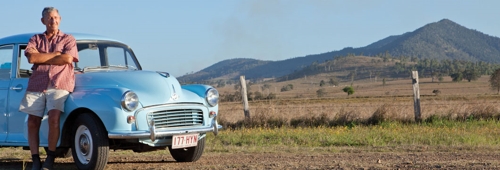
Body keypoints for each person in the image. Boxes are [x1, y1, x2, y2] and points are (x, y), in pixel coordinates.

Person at [19, 7, 79, 170]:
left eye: (56, 17)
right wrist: (56, 55)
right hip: (37, 82)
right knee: (32, 121)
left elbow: (67, 58)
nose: (53, 21)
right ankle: (35, 158)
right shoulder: (36, 39)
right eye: (50, 18)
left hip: (60, 82)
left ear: (60, 19)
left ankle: (50, 158)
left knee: (54, 118)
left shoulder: (68, 39)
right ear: (43, 21)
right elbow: (32, 57)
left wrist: (43, 57)